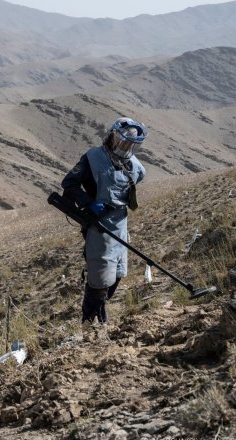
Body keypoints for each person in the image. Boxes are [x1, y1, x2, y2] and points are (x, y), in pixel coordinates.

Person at [61, 118, 147, 327]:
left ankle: (100, 311)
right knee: (99, 278)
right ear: (112, 136)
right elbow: (69, 184)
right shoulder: (93, 158)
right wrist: (88, 202)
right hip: (99, 226)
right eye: (123, 142)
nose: (126, 147)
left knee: (118, 274)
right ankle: (90, 323)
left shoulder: (135, 166)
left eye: (131, 144)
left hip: (120, 225)